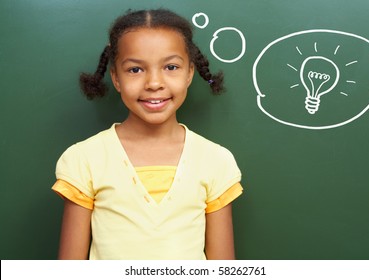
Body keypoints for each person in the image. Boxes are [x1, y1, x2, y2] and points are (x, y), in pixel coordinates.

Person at [52, 8, 243, 260]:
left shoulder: (216, 161)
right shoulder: (84, 159)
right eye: (135, 70)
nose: (154, 83)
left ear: (189, 73)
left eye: (171, 67)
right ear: (116, 78)